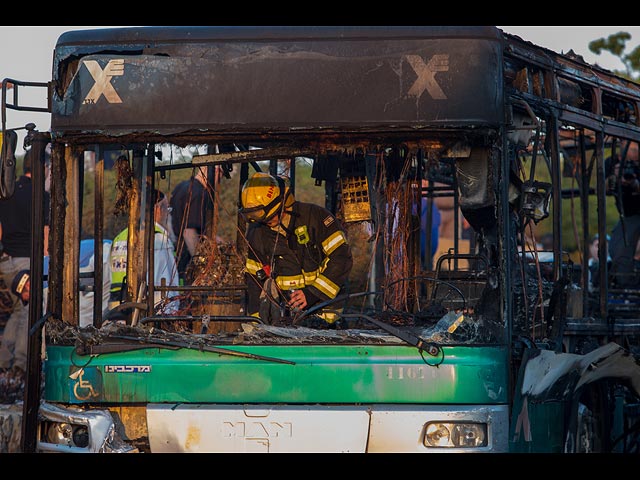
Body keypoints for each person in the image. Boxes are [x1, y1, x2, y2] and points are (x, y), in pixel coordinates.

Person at [239, 172, 353, 326]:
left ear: (283, 203)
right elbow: (254, 278)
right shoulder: (257, 231)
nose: (267, 222)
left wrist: (312, 293)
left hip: (326, 313)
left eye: (270, 216)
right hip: (285, 320)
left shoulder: (315, 217)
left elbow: (341, 258)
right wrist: (256, 322)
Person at [0, 148, 50, 373]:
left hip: (7, 262)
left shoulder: (7, 192)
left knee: (18, 312)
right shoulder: (40, 195)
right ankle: (20, 364)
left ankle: (3, 361)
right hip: (27, 261)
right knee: (29, 312)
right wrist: (47, 258)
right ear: (44, 167)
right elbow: (46, 232)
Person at [110, 188, 179, 313]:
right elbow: (163, 282)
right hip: (145, 312)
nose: (168, 214)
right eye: (167, 209)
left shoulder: (120, 237)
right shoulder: (158, 239)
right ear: (158, 209)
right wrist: (170, 313)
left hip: (118, 309)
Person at [169, 166, 220, 282]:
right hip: (188, 264)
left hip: (177, 260)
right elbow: (189, 233)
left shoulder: (180, 188)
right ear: (214, 170)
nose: (219, 179)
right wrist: (202, 267)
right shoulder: (200, 193)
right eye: (220, 173)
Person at [608, 141, 640, 288]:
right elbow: (602, 187)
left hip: (633, 215)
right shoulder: (612, 162)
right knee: (620, 249)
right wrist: (614, 178)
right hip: (628, 215)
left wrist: (635, 184)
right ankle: (624, 284)